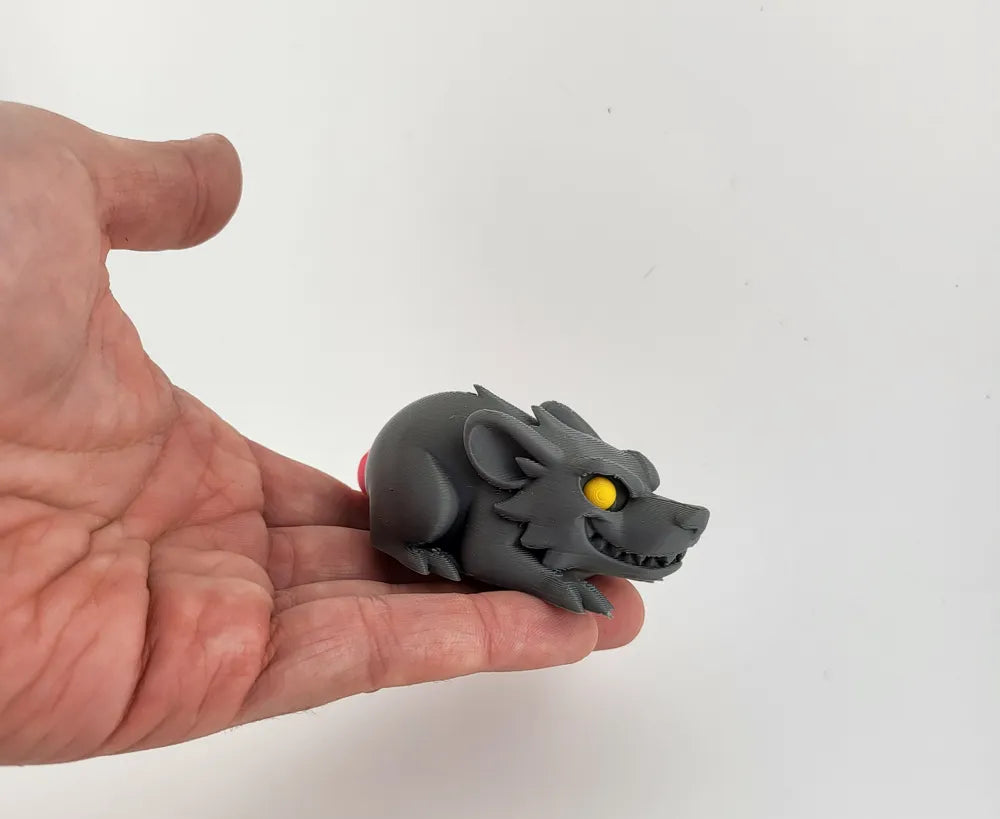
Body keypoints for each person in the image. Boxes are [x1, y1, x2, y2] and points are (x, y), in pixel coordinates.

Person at [0, 101, 644, 766]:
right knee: (433, 511)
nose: (625, 505)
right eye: (608, 493)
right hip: (421, 470)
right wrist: (546, 582)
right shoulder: (498, 500)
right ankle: (402, 533)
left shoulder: (544, 494)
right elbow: (488, 548)